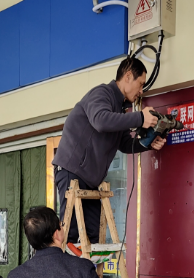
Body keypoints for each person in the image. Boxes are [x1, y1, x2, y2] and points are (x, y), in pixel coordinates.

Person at [53, 56, 166, 244]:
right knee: (71, 235)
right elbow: (100, 120)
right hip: (71, 172)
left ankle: (87, 275)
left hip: (89, 180)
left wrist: (147, 143)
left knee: (93, 236)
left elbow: (123, 143)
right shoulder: (101, 93)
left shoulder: (120, 111)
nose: (141, 90)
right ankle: (64, 273)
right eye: (141, 84)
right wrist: (139, 118)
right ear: (128, 76)